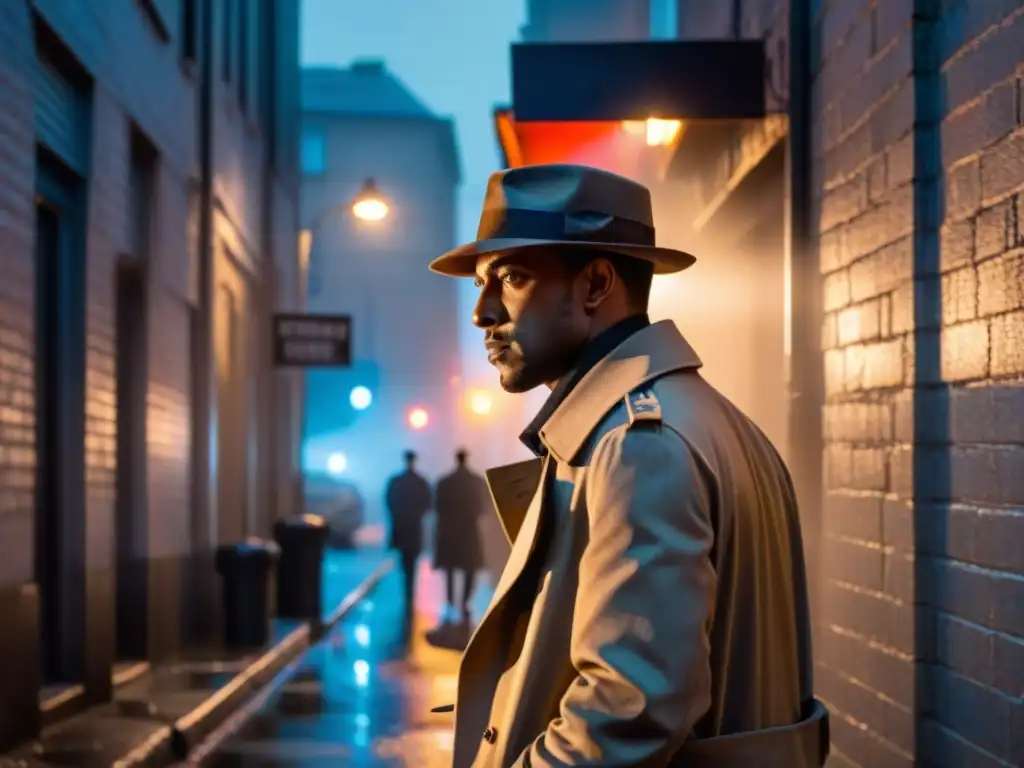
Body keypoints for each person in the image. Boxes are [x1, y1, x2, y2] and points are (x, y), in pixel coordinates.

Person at [427, 164, 829, 767]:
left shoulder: (638, 443)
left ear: (594, 285)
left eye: (510, 278)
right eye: (482, 284)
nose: (483, 313)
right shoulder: (709, 420)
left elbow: (627, 711)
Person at [429, 448, 488, 636]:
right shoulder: (477, 482)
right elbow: (483, 509)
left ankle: (450, 601)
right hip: (469, 532)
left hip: (450, 533)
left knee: (450, 570)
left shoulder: (444, 482)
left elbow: (437, 508)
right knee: (469, 570)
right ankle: (464, 603)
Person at [384, 450, 431, 630]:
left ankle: (407, 594)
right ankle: (410, 594)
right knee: (413, 562)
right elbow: (427, 504)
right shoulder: (421, 482)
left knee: (405, 562)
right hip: (414, 528)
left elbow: (389, 502)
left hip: (401, 528)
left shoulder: (397, 482)